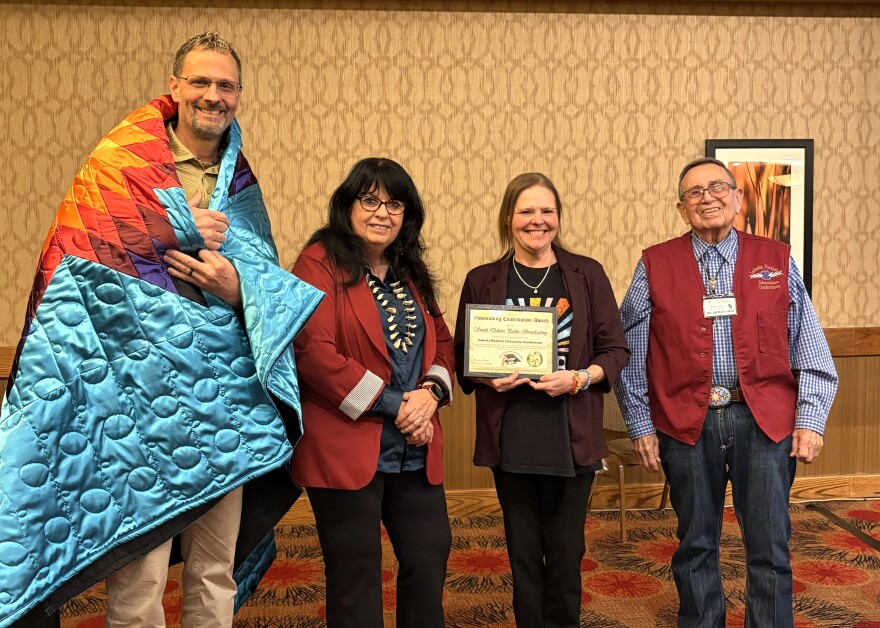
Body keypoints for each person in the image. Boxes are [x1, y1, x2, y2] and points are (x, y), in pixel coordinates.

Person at [1, 33, 321, 627]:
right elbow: (77, 254)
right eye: (200, 82)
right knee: (140, 577)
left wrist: (236, 287)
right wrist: (168, 225)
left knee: (214, 568)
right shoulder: (121, 164)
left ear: (239, 96)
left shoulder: (240, 181)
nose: (213, 96)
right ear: (174, 87)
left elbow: (264, 278)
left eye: (225, 86)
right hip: (138, 402)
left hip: (223, 403)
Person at [615, 157, 838, 627]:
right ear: (681, 209)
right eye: (694, 193)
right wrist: (640, 425)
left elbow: (809, 344)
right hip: (685, 424)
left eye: (718, 187)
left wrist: (810, 420)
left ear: (738, 199)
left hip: (765, 422)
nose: (707, 198)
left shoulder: (776, 260)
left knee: (770, 546)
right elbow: (629, 352)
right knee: (695, 545)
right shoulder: (653, 264)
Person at [454, 173, 630, 628]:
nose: (538, 221)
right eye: (526, 211)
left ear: (558, 217)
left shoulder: (586, 274)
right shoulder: (482, 279)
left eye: (547, 211)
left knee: (568, 555)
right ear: (508, 219)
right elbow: (464, 359)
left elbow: (615, 351)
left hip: (570, 439)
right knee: (524, 556)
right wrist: (488, 377)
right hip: (511, 440)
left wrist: (577, 378)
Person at [290, 158, 455, 628]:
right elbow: (313, 353)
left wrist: (428, 396)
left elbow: (442, 343)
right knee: (355, 574)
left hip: (416, 445)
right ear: (348, 205)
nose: (382, 212)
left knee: (429, 558)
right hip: (346, 445)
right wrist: (395, 403)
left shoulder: (410, 268)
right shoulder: (318, 261)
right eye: (370, 200)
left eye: (395, 203)